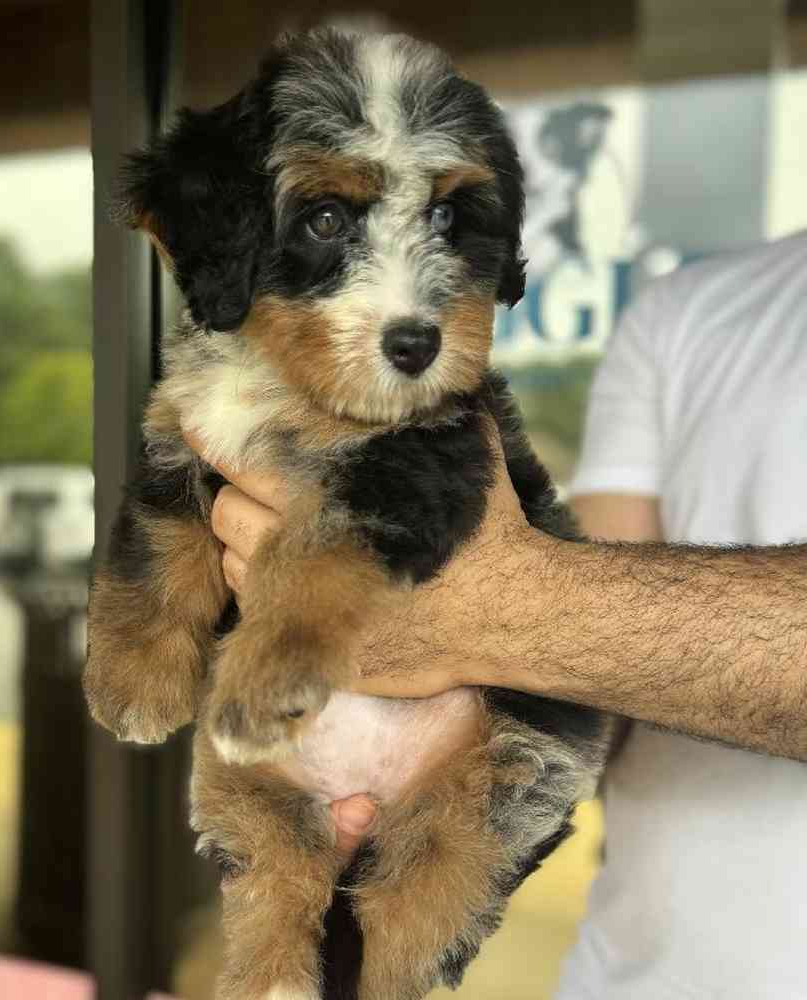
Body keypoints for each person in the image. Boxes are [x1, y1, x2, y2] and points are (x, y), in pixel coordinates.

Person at [187, 230, 807, 997]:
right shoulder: (690, 311)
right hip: (628, 975)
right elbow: (600, 686)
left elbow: (536, 614)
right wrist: (395, 770)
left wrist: (497, 612)